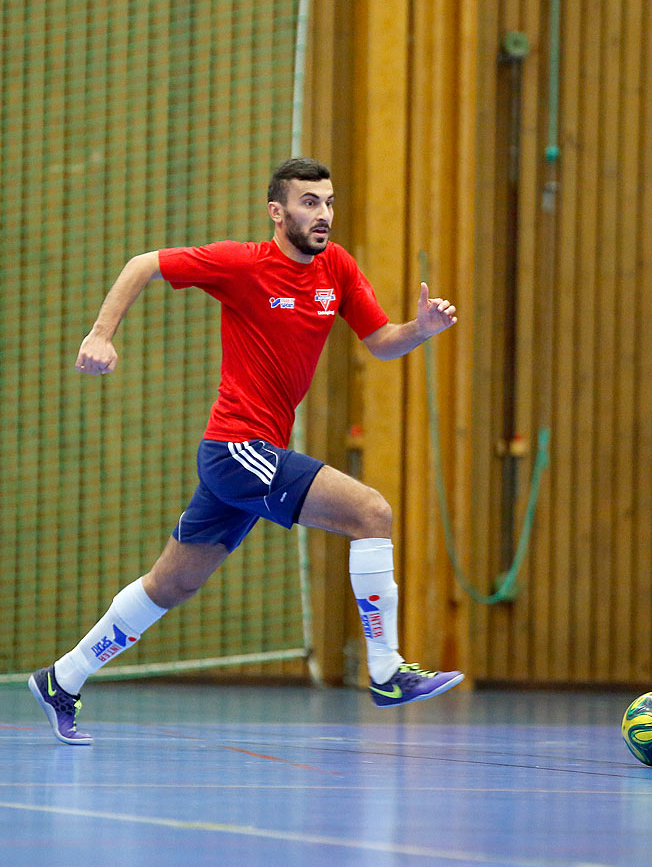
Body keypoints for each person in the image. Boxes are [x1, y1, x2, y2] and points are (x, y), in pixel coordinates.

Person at [28, 157, 464, 745]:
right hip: (238, 446)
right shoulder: (243, 264)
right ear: (277, 212)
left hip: (242, 458)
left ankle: (64, 676)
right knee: (372, 512)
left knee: (172, 583)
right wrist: (100, 334)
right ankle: (386, 672)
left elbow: (380, 341)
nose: (324, 215)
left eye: (329, 202)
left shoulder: (336, 267)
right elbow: (144, 264)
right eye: (310, 203)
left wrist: (420, 330)